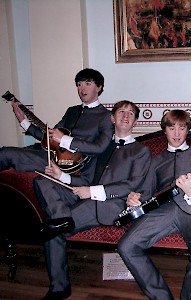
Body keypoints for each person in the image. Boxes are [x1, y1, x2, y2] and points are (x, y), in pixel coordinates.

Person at [34, 100, 152, 300]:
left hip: (113, 203)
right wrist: (61, 176)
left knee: (53, 231)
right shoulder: (101, 147)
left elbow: (132, 184)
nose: (125, 116)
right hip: (87, 193)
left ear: (135, 122)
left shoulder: (141, 151)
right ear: (112, 118)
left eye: (131, 114)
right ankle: (61, 218)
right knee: (42, 181)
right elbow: (86, 179)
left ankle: (59, 282)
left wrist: (93, 191)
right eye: (121, 112)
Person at [118, 110, 191, 300]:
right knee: (127, 247)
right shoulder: (155, 161)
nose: (177, 134)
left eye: (182, 128)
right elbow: (145, 193)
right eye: (172, 128)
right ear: (165, 131)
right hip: (163, 210)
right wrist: (133, 199)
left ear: (188, 130)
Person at [0, 68, 114, 174]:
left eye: (87, 84)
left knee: (6, 153)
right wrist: (23, 121)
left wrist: (65, 139)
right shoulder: (72, 111)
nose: (82, 89)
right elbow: (49, 137)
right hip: (52, 155)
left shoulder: (106, 116)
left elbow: (100, 147)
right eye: (79, 85)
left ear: (99, 87)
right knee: (4, 151)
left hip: (74, 164)